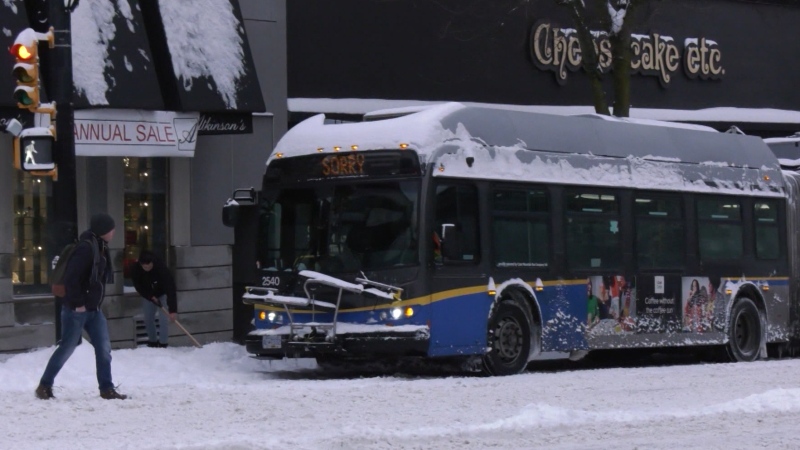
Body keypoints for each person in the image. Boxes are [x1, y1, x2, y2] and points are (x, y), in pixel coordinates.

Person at [36, 213, 127, 400]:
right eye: (111, 229)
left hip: (93, 309)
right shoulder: (86, 249)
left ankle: (106, 388)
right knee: (67, 348)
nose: (114, 232)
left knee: (103, 348)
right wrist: (78, 304)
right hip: (76, 309)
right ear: (103, 230)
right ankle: (44, 385)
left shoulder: (100, 247)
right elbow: (71, 278)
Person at [131, 250, 178, 348]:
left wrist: (173, 310)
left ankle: (163, 343)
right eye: (145, 266)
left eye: (149, 266)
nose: (147, 268)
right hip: (148, 294)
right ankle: (152, 341)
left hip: (162, 292)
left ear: (153, 262)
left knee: (163, 318)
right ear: (141, 264)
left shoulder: (161, 267)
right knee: (148, 318)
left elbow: (170, 288)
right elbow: (138, 286)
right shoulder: (136, 269)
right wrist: (150, 296)